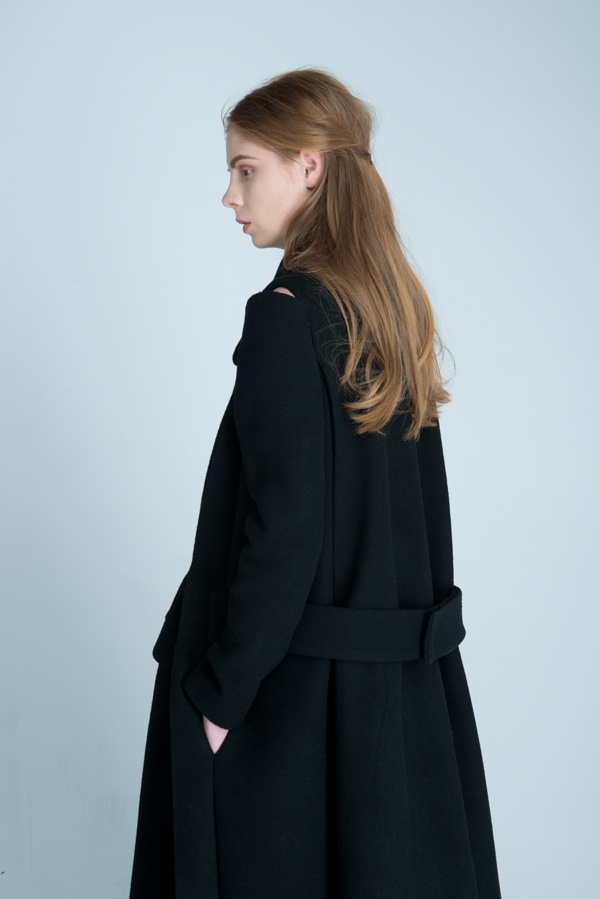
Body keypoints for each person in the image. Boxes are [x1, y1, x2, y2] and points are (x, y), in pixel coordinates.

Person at [128, 68, 502, 899]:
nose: (229, 196)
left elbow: (285, 532)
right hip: (400, 706)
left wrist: (218, 697)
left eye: (245, 169)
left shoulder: (285, 317)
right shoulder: (391, 311)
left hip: (296, 711)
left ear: (310, 166)